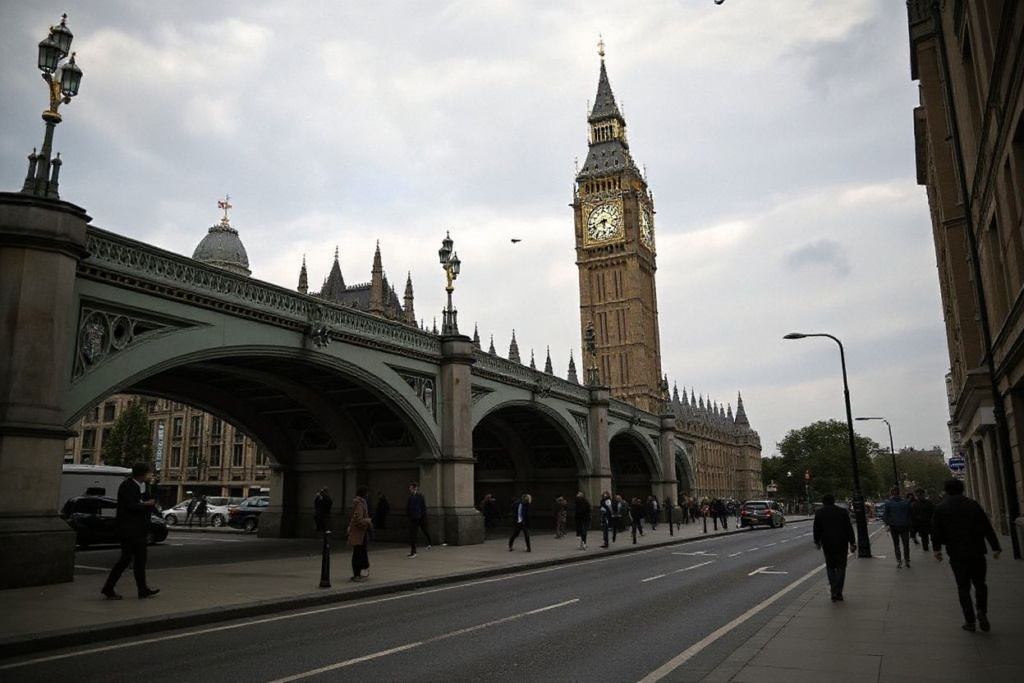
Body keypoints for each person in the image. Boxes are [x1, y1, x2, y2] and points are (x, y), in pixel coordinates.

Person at [932, 478, 1002, 633]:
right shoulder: (973, 505)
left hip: (956, 553)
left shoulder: (940, 508)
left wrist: (937, 549)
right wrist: (995, 547)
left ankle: (970, 621)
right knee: (980, 584)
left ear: (946, 491)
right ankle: (981, 610)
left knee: (963, 587)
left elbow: (936, 530)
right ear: (962, 489)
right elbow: (986, 526)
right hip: (977, 551)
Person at [101, 462, 160, 600]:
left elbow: (146, 501)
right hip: (130, 529)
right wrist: (146, 504)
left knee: (137, 559)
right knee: (128, 559)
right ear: (142, 474)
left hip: (138, 529)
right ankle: (110, 588)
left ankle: (141, 589)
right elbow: (131, 506)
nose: (151, 475)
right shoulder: (128, 486)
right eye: (149, 473)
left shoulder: (142, 486)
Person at [813, 493, 856, 602]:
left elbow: (816, 529)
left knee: (830, 566)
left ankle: (834, 588)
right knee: (841, 567)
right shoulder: (842, 512)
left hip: (827, 543)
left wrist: (817, 541)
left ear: (823, 502)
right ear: (833, 501)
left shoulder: (820, 513)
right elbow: (848, 528)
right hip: (841, 542)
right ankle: (838, 591)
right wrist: (852, 542)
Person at [881, 487, 912, 568]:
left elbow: (885, 515)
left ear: (891, 493)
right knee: (906, 543)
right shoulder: (906, 502)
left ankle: (899, 560)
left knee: (896, 544)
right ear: (899, 492)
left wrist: (887, 524)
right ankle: (907, 560)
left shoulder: (888, 503)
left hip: (893, 525)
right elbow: (910, 513)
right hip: (904, 525)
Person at [347, 486, 372, 581]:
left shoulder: (359, 503)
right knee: (358, 553)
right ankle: (357, 574)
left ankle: (358, 572)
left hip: (359, 532)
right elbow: (359, 521)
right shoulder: (359, 504)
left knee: (359, 552)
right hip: (359, 533)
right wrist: (368, 520)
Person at [406, 482, 433, 558]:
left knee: (425, 530)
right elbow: (408, 507)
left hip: (420, 518)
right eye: (410, 488)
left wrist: (423, 516)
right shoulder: (410, 497)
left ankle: (429, 542)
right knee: (412, 535)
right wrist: (409, 514)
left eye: (411, 488)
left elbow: (423, 507)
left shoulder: (420, 496)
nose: (410, 489)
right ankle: (413, 551)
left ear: (415, 488)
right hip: (413, 518)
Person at [909, 488, 934, 552]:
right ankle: (925, 545)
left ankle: (926, 545)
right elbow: (912, 514)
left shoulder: (927, 503)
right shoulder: (915, 504)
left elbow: (932, 512)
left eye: (920, 495)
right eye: (918, 495)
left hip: (926, 521)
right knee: (924, 535)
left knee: (926, 534)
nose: (919, 496)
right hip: (921, 522)